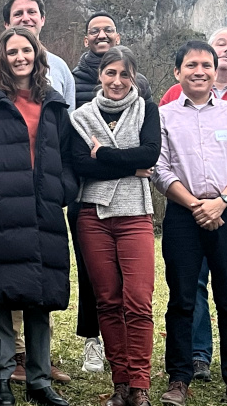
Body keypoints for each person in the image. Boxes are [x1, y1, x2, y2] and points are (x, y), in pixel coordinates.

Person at [0, 26, 74, 406]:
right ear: (2, 59)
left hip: (44, 215)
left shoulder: (55, 105)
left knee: (41, 298)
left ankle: (39, 380)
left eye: (26, 50)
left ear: (37, 55)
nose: (20, 57)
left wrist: (61, 190)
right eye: (12, 52)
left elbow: (70, 158)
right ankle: (2, 380)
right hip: (0, 215)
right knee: (1, 297)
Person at [153, 41, 227, 406]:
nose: (199, 71)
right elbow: (160, 168)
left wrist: (220, 202)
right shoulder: (164, 116)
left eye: (206, 65)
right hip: (183, 215)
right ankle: (179, 378)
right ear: (177, 72)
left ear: (215, 72)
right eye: (191, 65)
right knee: (182, 299)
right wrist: (196, 205)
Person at [69, 46, 160, 406]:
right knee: (107, 301)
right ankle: (120, 382)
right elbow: (81, 165)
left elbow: (150, 154)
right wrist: (130, 167)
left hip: (135, 214)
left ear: (134, 77)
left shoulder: (147, 110)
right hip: (92, 216)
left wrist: (104, 154)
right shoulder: (81, 116)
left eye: (125, 74)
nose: (117, 81)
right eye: (111, 73)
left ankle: (140, 384)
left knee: (138, 300)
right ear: (100, 75)